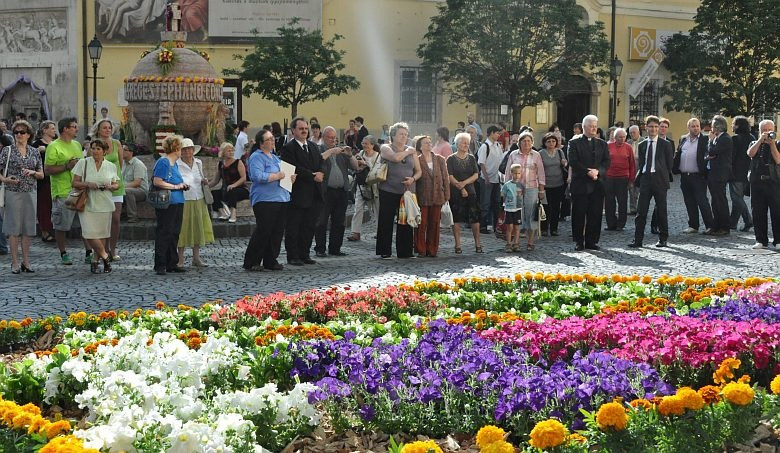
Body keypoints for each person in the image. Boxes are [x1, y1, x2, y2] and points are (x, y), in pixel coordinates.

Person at [243, 129, 295, 270]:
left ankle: (271, 260)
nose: (272, 141)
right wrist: (277, 176)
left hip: (281, 198)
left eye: (272, 138)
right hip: (265, 199)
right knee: (264, 230)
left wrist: (290, 178)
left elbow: (283, 175)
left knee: (277, 231)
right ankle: (252, 261)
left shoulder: (275, 158)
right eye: (269, 139)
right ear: (261, 143)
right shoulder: (256, 157)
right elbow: (257, 176)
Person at [44, 117, 91, 265]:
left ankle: (89, 252)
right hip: (62, 192)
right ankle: (63, 252)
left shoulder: (76, 144)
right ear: (65, 129)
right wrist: (67, 166)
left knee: (85, 224)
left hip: (79, 190)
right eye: (74, 127)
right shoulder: (53, 146)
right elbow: (47, 170)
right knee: (62, 226)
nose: (77, 129)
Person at [0, 120, 43, 273]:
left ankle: (26, 261)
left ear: (28, 135)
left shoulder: (34, 152)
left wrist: (33, 172)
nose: (19, 134)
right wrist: (6, 180)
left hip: (30, 192)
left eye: (22, 132)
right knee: (14, 228)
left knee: (28, 228)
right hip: (13, 192)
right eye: (16, 132)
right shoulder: (7, 150)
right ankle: (14, 262)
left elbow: (41, 174)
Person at [70, 140, 119, 274]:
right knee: (89, 233)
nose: (95, 151)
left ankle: (95, 261)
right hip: (87, 203)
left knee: (102, 234)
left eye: (98, 149)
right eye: (93, 148)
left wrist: (110, 186)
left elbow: (116, 184)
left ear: (104, 151)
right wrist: (88, 184)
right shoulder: (83, 163)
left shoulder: (111, 166)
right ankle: (105, 256)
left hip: (105, 203)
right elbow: (74, 183)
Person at [281, 117, 324, 266]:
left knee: (309, 226)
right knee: (294, 226)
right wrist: (312, 176)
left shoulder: (313, 146)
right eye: (301, 129)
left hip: (314, 193)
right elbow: (293, 168)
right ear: (293, 130)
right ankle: (293, 256)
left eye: (306, 128)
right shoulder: (288, 148)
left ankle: (305, 254)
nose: (304, 131)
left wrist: (321, 172)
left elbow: (320, 162)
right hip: (298, 193)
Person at [376, 122, 422, 259]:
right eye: (401, 134)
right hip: (388, 189)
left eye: (406, 134)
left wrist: (413, 179)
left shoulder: (411, 151)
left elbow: (419, 171)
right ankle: (384, 250)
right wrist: (408, 152)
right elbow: (396, 158)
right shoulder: (386, 147)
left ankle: (405, 251)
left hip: (407, 191)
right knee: (386, 220)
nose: (404, 137)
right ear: (393, 135)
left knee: (406, 221)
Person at [629, 115, 674, 248]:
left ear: (658, 128)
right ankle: (638, 240)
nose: (653, 129)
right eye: (651, 126)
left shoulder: (665, 144)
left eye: (656, 126)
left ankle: (663, 239)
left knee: (661, 211)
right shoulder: (642, 145)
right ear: (646, 128)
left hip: (660, 181)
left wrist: (661, 174)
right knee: (641, 212)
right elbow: (642, 163)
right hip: (645, 180)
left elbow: (669, 164)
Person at [567, 114, 610, 251]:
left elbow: (606, 162)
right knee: (578, 214)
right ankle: (579, 241)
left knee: (595, 214)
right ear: (584, 127)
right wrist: (587, 171)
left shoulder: (602, 144)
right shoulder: (574, 143)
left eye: (595, 126)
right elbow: (573, 161)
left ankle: (592, 241)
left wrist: (598, 171)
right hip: (581, 183)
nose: (593, 128)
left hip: (597, 183)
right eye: (591, 126)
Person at [314, 126, 359, 257]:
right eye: (330, 137)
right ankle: (320, 248)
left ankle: (335, 248)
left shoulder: (341, 151)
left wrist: (350, 155)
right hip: (326, 191)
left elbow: (355, 167)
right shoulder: (319, 150)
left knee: (339, 222)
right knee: (321, 221)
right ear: (324, 138)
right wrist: (331, 151)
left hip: (341, 191)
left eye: (335, 138)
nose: (333, 140)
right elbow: (316, 162)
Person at [502, 131, 545, 250]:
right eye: (524, 141)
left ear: (532, 143)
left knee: (531, 214)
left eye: (529, 141)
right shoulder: (513, 155)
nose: (526, 143)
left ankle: (530, 241)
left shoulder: (536, 155)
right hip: (515, 189)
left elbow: (541, 173)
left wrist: (541, 190)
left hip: (532, 187)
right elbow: (507, 172)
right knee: (517, 213)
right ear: (519, 143)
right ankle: (516, 242)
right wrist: (506, 188)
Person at [152, 135, 188, 275]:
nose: (182, 151)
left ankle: (172, 262)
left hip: (177, 201)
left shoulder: (175, 164)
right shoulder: (164, 162)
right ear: (176, 148)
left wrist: (182, 185)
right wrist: (176, 186)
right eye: (181, 148)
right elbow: (157, 181)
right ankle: (160, 264)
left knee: (174, 232)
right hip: (167, 202)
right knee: (164, 232)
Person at [176, 138, 214, 267]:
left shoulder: (198, 163)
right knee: (182, 229)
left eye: (189, 149)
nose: (187, 152)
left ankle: (196, 258)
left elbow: (200, 177)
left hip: (199, 198)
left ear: (193, 150)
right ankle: (180, 259)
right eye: (184, 149)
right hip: (184, 199)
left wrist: (204, 181)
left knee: (198, 228)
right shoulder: (177, 164)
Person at [673, 118, 714, 234]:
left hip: (698, 176)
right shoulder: (683, 139)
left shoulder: (705, 139)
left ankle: (710, 225)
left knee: (702, 201)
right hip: (685, 176)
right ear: (688, 127)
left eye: (697, 126)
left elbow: (709, 152)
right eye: (693, 126)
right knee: (689, 201)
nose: (696, 128)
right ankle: (693, 225)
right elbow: (679, 154)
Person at [746, 119, 780, 249]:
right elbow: (750, 153)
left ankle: (778, 241)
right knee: (758, 212)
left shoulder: (778, 144)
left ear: (774, 130)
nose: (767, 133)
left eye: (769, 130)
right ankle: (760, 240)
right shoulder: (754, 143)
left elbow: (778, 160)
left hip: (774, 182)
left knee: (777, 212)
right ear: (759, 131)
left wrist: (772, 144)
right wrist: (760, 140)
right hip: (757, 182)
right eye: (764, 130)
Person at [95, 119, 125, 261]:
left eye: (109, 127)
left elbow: (120, 163)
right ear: (99, 130)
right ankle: (103, 249)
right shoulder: (95, 145)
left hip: (116, 185)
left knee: (115, 219)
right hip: (101, 186)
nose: (107, 130)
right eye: (104, 128)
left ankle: (113, 248)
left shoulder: (117, 143)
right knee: (103, 219)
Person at [447, 132, 482, 254]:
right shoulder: (451, 159)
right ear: (457, 144)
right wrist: (461, 188)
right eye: (463, 143)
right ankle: (458, 245)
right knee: (456, 219)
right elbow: (450, 176)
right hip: (455, 193)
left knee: (474, 218)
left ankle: (478, 244)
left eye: (467, 143)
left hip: (471, 192)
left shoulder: (471, 158)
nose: (466, 145)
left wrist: (464, 184)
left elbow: (476, 175)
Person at [414, 134, 449, 257]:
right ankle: (421, 249)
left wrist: (446, 195)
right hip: (422, 196)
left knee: (434, 223)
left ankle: (432, 249)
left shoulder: (440, 159)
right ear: (420, 146)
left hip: (437, 196)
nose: (429, 144)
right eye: (426, 142)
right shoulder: (417, 160)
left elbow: (445, 178)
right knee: (421, 223)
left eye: (430, 142)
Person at [348, 135, 380, 242]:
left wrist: (365, 163)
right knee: (358, 208)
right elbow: (354, 167)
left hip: (374, 186)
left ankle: (379, 231)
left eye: (366, 143)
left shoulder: (378, 156)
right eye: (363, 143)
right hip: (361, 185)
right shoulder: (360, 153)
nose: (364, 145)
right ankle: (355, 233)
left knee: (376, 209)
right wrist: (357, 164)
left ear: (372, 145)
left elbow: (377, 170)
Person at [705, 115, 734, 236]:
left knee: (720, 201)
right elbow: (711, 154)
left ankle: (724, 227)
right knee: (715, 201)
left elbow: (712, 151)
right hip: (713, 173)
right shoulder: (718, 138)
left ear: (717, 127)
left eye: (712, 126)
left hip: (720, 174)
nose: (711, 129)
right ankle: (716, 225)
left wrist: (710, 141)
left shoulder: (725, 138)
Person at [604, 128, 636, 231]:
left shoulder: (628, 147)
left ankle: (621, 224)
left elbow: (632, 164)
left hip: (623, 178)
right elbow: (604, 161)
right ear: (615, 137)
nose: (622, 139)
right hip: (609, 177)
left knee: (622, 202)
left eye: (624, 137)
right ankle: (610, 224)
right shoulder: (608, 146)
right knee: (609, 201)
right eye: (620, 137)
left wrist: (631, 180)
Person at [209, 142, 249, 222]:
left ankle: (233, 213)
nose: (231, 152)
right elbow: (216, 180)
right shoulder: (221, 164)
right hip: (226, 190)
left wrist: (234, 185)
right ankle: (223, 213)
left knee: (232, 191)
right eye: (229, 151)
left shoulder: (238, 162)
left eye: (232, 150)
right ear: (223, 152)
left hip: (240, 189)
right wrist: (207, 185)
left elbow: (244, 178)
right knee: (214, 193)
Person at [539, 132, 567, 236]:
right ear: (545, 143)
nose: (551, 143)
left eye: (553, 141)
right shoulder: (541, 153)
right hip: (545, 185)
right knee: (545, 207)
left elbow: (565, 164)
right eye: (549, 141)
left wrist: (564, 163)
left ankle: (554, 228)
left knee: (556, 207)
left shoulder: (559, 152)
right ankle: (544, 228)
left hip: (558, 184)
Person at [32, 120, 56, 242]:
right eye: (52, 128)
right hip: (42, 179)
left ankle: (53, 229)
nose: (54, 130)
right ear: (44, 130)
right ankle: (45, 231)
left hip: (55, 177)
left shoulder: (56, 144)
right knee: (43, 206)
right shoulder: (37, 144)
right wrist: (39, 150)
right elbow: (31, 158)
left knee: (54, 206)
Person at [729, 116, 754, 231]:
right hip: (748, 172)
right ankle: (732, 223)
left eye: (733, 124)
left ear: (738, 126)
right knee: (738, 199)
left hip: (736, 173)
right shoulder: (752, 137)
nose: (732, 126)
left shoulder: (734, 139)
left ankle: (748, 220)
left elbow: (732, 157)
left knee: (736, 198)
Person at [478, 125, 503, 234]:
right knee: (485, 203)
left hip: (496, 179)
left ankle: (495, 226)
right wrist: (486, 178)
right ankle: (483, 226)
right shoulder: (485, 146)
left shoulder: (497, 145)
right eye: (497, 133)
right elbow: (481, 163)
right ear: (492, 133)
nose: (498, 135)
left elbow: (501, 161)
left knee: (496, 203)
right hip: (486, 179)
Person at [121, 142, 148, 223]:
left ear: (131, 152)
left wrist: (121, 187)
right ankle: (119, 213)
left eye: (124, 150)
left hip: (141, 191)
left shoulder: (138, 164)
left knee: (127, 191)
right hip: (126, 188)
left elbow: (137, 183)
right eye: (121, 149)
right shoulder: (123, 163)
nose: (121, 151)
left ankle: (133, 216)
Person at [502, 164, 524, 252]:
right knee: (509, 227)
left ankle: (516, 244)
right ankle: (508, 244)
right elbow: (503, 195)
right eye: (515, 173)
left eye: (518, 173)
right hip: (509, 208)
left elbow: (523, 194)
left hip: (518, 208)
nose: (517, 175)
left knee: (517, 227)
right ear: (511, 173)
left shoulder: (521, 185)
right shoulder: (507, 185)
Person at [627, 125, 642, 215]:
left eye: (634, 132)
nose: (632, 134)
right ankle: (633, 208)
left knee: (640, 190)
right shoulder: (628, 142)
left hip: (640, 167)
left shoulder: (644, 141)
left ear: (638, 132)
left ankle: (640, 208)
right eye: (630, 133)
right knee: (631, 189)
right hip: (631, 167)